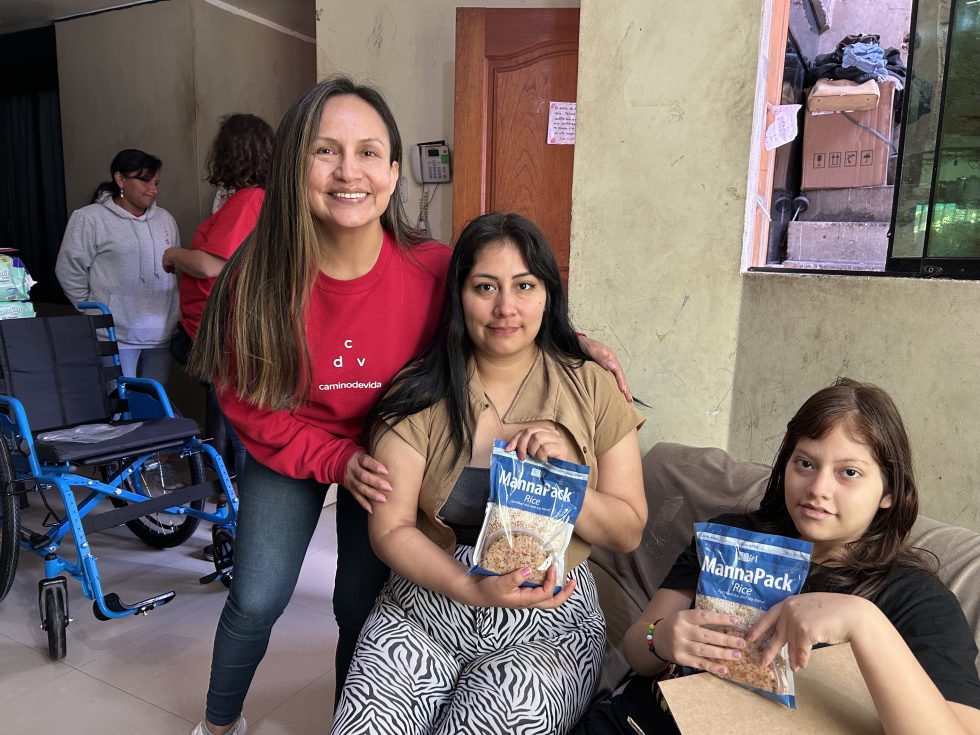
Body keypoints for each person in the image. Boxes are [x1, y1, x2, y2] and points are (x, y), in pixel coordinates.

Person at [187, 78, 633, 735]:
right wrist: (334, 459)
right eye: (325, 151)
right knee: (255, 597)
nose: (349, 172)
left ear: (394, 173)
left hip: (394, 451)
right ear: (293, 167)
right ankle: (219, 721)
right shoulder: (254, 279)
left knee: (358, 601)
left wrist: (576, 341)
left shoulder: (432, 268)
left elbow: (506, 308)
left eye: (368, 152)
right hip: (299, 443)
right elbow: (245, 402)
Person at [331, 212, 648, 735]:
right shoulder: (417, 393)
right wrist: (469, 587)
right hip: (425, 603)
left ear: (547, 295)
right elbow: (391, 528)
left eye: (524, 285)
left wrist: (567, 480)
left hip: (548, 619)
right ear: (459, 295)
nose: (505, 308)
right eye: (485, 287)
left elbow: (628, 530)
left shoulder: (592, 388)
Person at [573, 378, 980, 735]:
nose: (817, 488)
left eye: (849, 472)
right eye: (805, 463)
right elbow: (637, 646)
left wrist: (864, 622)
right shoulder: (731, 537)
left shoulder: (917, 601)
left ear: (890, 491)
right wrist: (660, 638)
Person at [163, 113, 275, 485]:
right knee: (233, 422)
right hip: (228, 330)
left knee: (241, 432)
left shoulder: (248, 201)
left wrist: (173, 255)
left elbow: (211, 265)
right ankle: (231, 494)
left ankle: (241, 506)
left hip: (224, 333)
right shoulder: (260, 201)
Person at [56, 148, 178, 384]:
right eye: (144, 181)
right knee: (121, 402)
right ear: (120, 179)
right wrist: (92, 310)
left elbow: (172, 268)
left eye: (156, 182)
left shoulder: (165, 219)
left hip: (161, 332)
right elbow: (68, 269)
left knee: (156, 401)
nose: (153, 190)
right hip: (115, 334)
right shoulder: (89, 218)